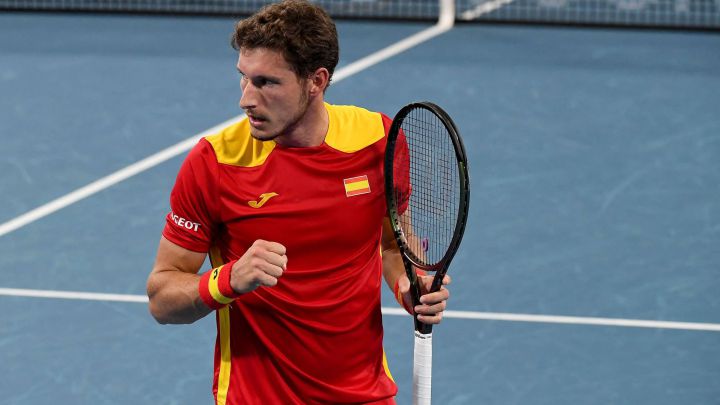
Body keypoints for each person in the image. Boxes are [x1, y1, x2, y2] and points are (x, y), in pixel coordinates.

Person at [146, 1, 450, 404]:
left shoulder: (378, 140)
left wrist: (408, 285)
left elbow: (393, 244)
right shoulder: (215, 163)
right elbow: (162, 298)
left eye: (267, 83)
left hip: (363, 393)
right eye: (244, 79)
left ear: (316, 81)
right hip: (257, 397)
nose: (246, 100)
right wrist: (228, 280)